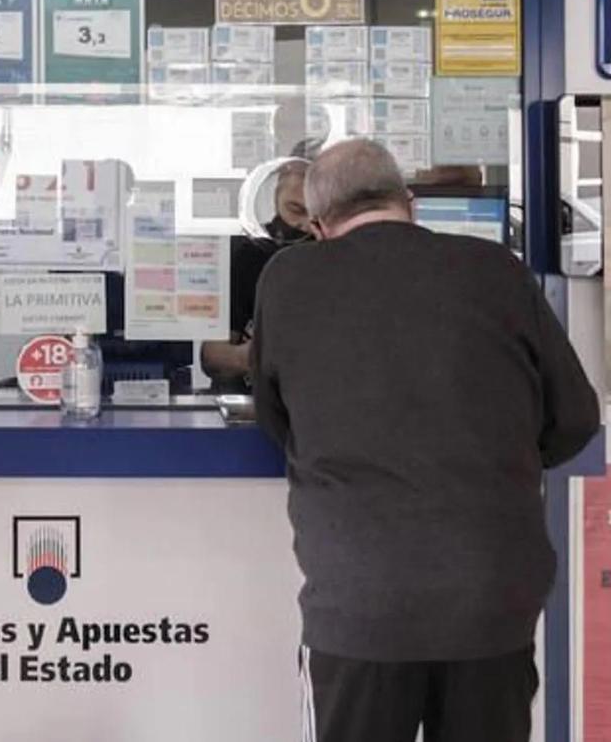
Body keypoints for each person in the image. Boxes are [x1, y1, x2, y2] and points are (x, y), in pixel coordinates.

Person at [250, 138, 599, 742]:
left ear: (318, 224)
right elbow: (573, 419)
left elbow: (276, 421)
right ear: (408, 204)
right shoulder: (497, 270)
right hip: (490, 598)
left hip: (360, 602)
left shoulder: (289, 278)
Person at [200, 159, 311, 391]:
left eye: (317, 215)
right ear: (276, 194)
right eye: (295, 210)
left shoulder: (339, 256)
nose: (305, 225)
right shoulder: (249, 255)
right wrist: (255, 356)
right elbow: (212, 356)